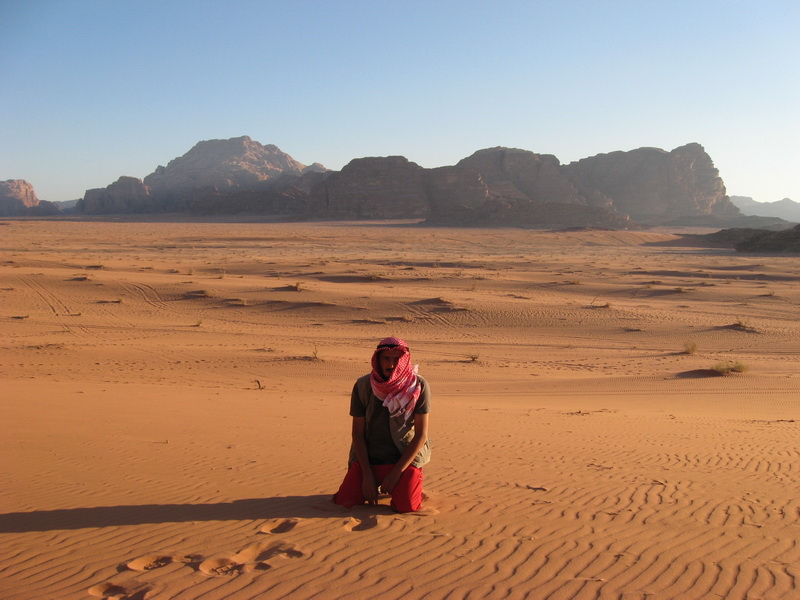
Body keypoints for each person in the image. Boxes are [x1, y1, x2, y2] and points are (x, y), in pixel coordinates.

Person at [333, 337, 431, 513]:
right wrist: (367, 476)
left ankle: (411, 483)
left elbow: (421, 435)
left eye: (396, 359)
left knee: (407, 506)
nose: (391, 364)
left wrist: (396, 474)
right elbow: (357, 435)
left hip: (403, 460)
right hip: (370, 461)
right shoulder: (363, 386)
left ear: (405, 360)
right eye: (386, 358)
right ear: (377, 359)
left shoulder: (417, 385)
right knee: (345, 501)